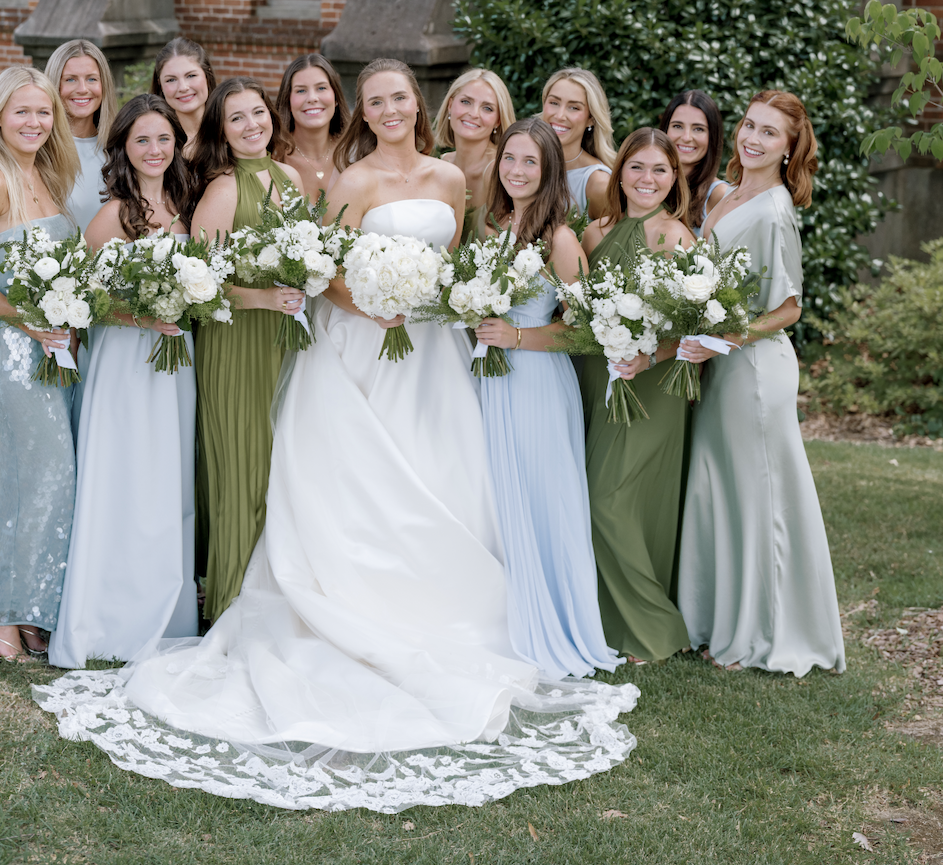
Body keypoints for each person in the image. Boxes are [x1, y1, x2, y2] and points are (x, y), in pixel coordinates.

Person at [33, 59, 638, 811]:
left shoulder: (453, 181)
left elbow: (461, 266)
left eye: (398, 98)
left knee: (443, 473)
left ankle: (436, 603)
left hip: (432, 353)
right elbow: (329, 271)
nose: (387, 109)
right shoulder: (347, 182)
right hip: (357, 343)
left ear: (418, 105)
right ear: (368, 109)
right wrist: (370, 304)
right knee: (344, 478)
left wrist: (430, 302)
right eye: (376, 99)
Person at [677, 90, 846, 676]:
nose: (752, 138)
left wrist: (724, 338)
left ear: (790, 148)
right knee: (719, 488)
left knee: (759, 497)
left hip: (754, 371)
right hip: (721, 366)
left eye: (770, 133)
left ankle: (763, 634)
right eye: (750, 125)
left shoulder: (774, 208)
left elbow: (790, 307)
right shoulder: (730, 194)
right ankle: (716, 621)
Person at [48, 95, 198, 668]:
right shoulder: (113, 215)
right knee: (123, 477)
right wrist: (143, 316)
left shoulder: (185, 206)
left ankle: (169, 613)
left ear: (176, 145)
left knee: (167, 476)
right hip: (125, 364)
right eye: (142, 141)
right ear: (123, 150)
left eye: (164, 139)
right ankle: (108, 616)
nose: (155, 150)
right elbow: (86, 302)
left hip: (174, 361)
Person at [473, 117, 621, 679]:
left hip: (535, 384)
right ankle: (505, 618)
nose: (515, 170)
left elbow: (587, 330)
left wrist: (517, 336)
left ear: (549, 169)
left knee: (541, 499)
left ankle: (555, 623)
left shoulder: (559, 238)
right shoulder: (494, 228)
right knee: (497, 501)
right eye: (509, 158)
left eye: (529, 161)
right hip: (489, 380)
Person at [0, 67, 78, 663]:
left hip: (55, 349)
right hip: (11, 350)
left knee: (47, 481)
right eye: (21, 112)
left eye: (43, 113)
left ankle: (33, 610)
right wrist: (25, 320)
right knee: (42, 477)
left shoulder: (48, 177)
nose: (33, 123)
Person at [190, 78, 304, 623]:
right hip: (235, 341)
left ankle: (277, 589)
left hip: (285, 342)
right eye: (236, 118)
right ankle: (231, 601)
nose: (251, 124)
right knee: (242, 462)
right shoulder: (223, 189)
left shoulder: (292, 177)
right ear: (221, 131)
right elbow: (200, 284)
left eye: (257, 112)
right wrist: (264, 298)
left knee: (279, 465)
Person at [580, 128, 696, 663]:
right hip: (597, 380)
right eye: (638, 168)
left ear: (675, 179)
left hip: (652, 383)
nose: (647, 180)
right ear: (620, 170)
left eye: (660, 171)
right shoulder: (593, 232)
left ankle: (656, 628)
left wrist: (647, 356)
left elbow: (697, 325)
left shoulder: (678, 237)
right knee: (598, 498)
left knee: (613, 498)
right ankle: (607, 622)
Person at [44, 40, 119, 232]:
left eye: (92, 79)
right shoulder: (40, 150)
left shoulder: (120, 148)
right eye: (70, 79)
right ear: (54, 84)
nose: (83, 89)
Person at [433, 67, 517, 238]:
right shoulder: (438, 165)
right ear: (450, 105)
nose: (473, 113)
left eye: (487, 108)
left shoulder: (502, 171)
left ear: (498, 121)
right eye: (466, 102)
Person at [540, 68, 617, 220]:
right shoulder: (522, 162)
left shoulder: (598, 183)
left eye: (574, 107)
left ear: (591, 119)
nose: (560, 115)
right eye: (554, 103)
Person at [272, 51, 350, 199]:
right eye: (301, 90)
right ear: (288, 101)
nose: (312, 98)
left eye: (321, 88)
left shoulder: (354, 153)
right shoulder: (274, 159)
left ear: (336, 98)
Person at [658, 88, 730, 236]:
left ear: (712, 137)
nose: (686, 137)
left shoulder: (720, 196)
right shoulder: (648, 183)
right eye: (677, 126)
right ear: (665, 130)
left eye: (698, 129)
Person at [151, 37, 217, 164]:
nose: (183, 87)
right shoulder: (154, 142)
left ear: (207, 76)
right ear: (160, 85)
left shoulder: (229, 129)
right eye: (171, 80)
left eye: (191, 76)